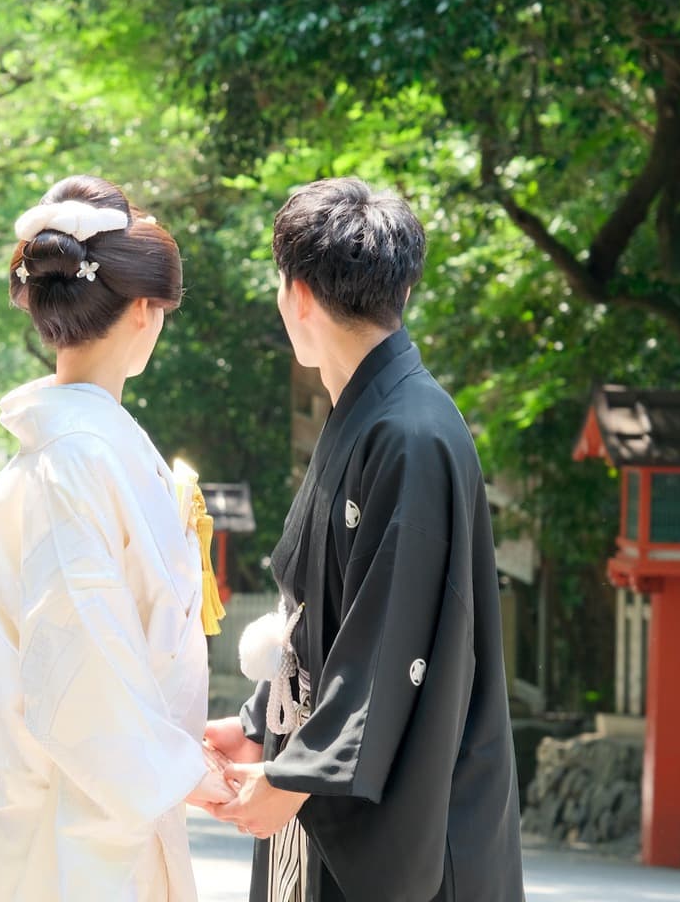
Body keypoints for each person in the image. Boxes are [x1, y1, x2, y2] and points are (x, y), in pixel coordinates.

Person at [205, 178, 524, 901]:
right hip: (332, 774)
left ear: (299, 296)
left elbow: (392, 637)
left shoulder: (410, 433)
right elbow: (323, 617)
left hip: (412, 814)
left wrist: (298, 774)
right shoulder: (368, 415)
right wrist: (261, 727)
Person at [0, 175, 233, 902]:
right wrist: (182, 769)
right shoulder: (78, 460)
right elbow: (81, 664)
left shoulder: (69, 456)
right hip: (84, 834)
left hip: (94, 813)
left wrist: (173, 759)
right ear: (145, 310)